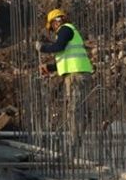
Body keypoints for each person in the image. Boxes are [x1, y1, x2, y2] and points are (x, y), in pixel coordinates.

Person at [39, 8, 94, 141]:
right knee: (75, 108)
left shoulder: (65, 29)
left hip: (77, 75)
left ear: (56, 22)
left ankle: (75, 139)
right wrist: (50, 67)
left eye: (52, 27)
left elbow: (59, 47)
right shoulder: (68, 32)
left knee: (75, 109)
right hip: (75, 74)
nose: (53, 31)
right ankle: (76, 136)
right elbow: (67, 59)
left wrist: (42, 47)